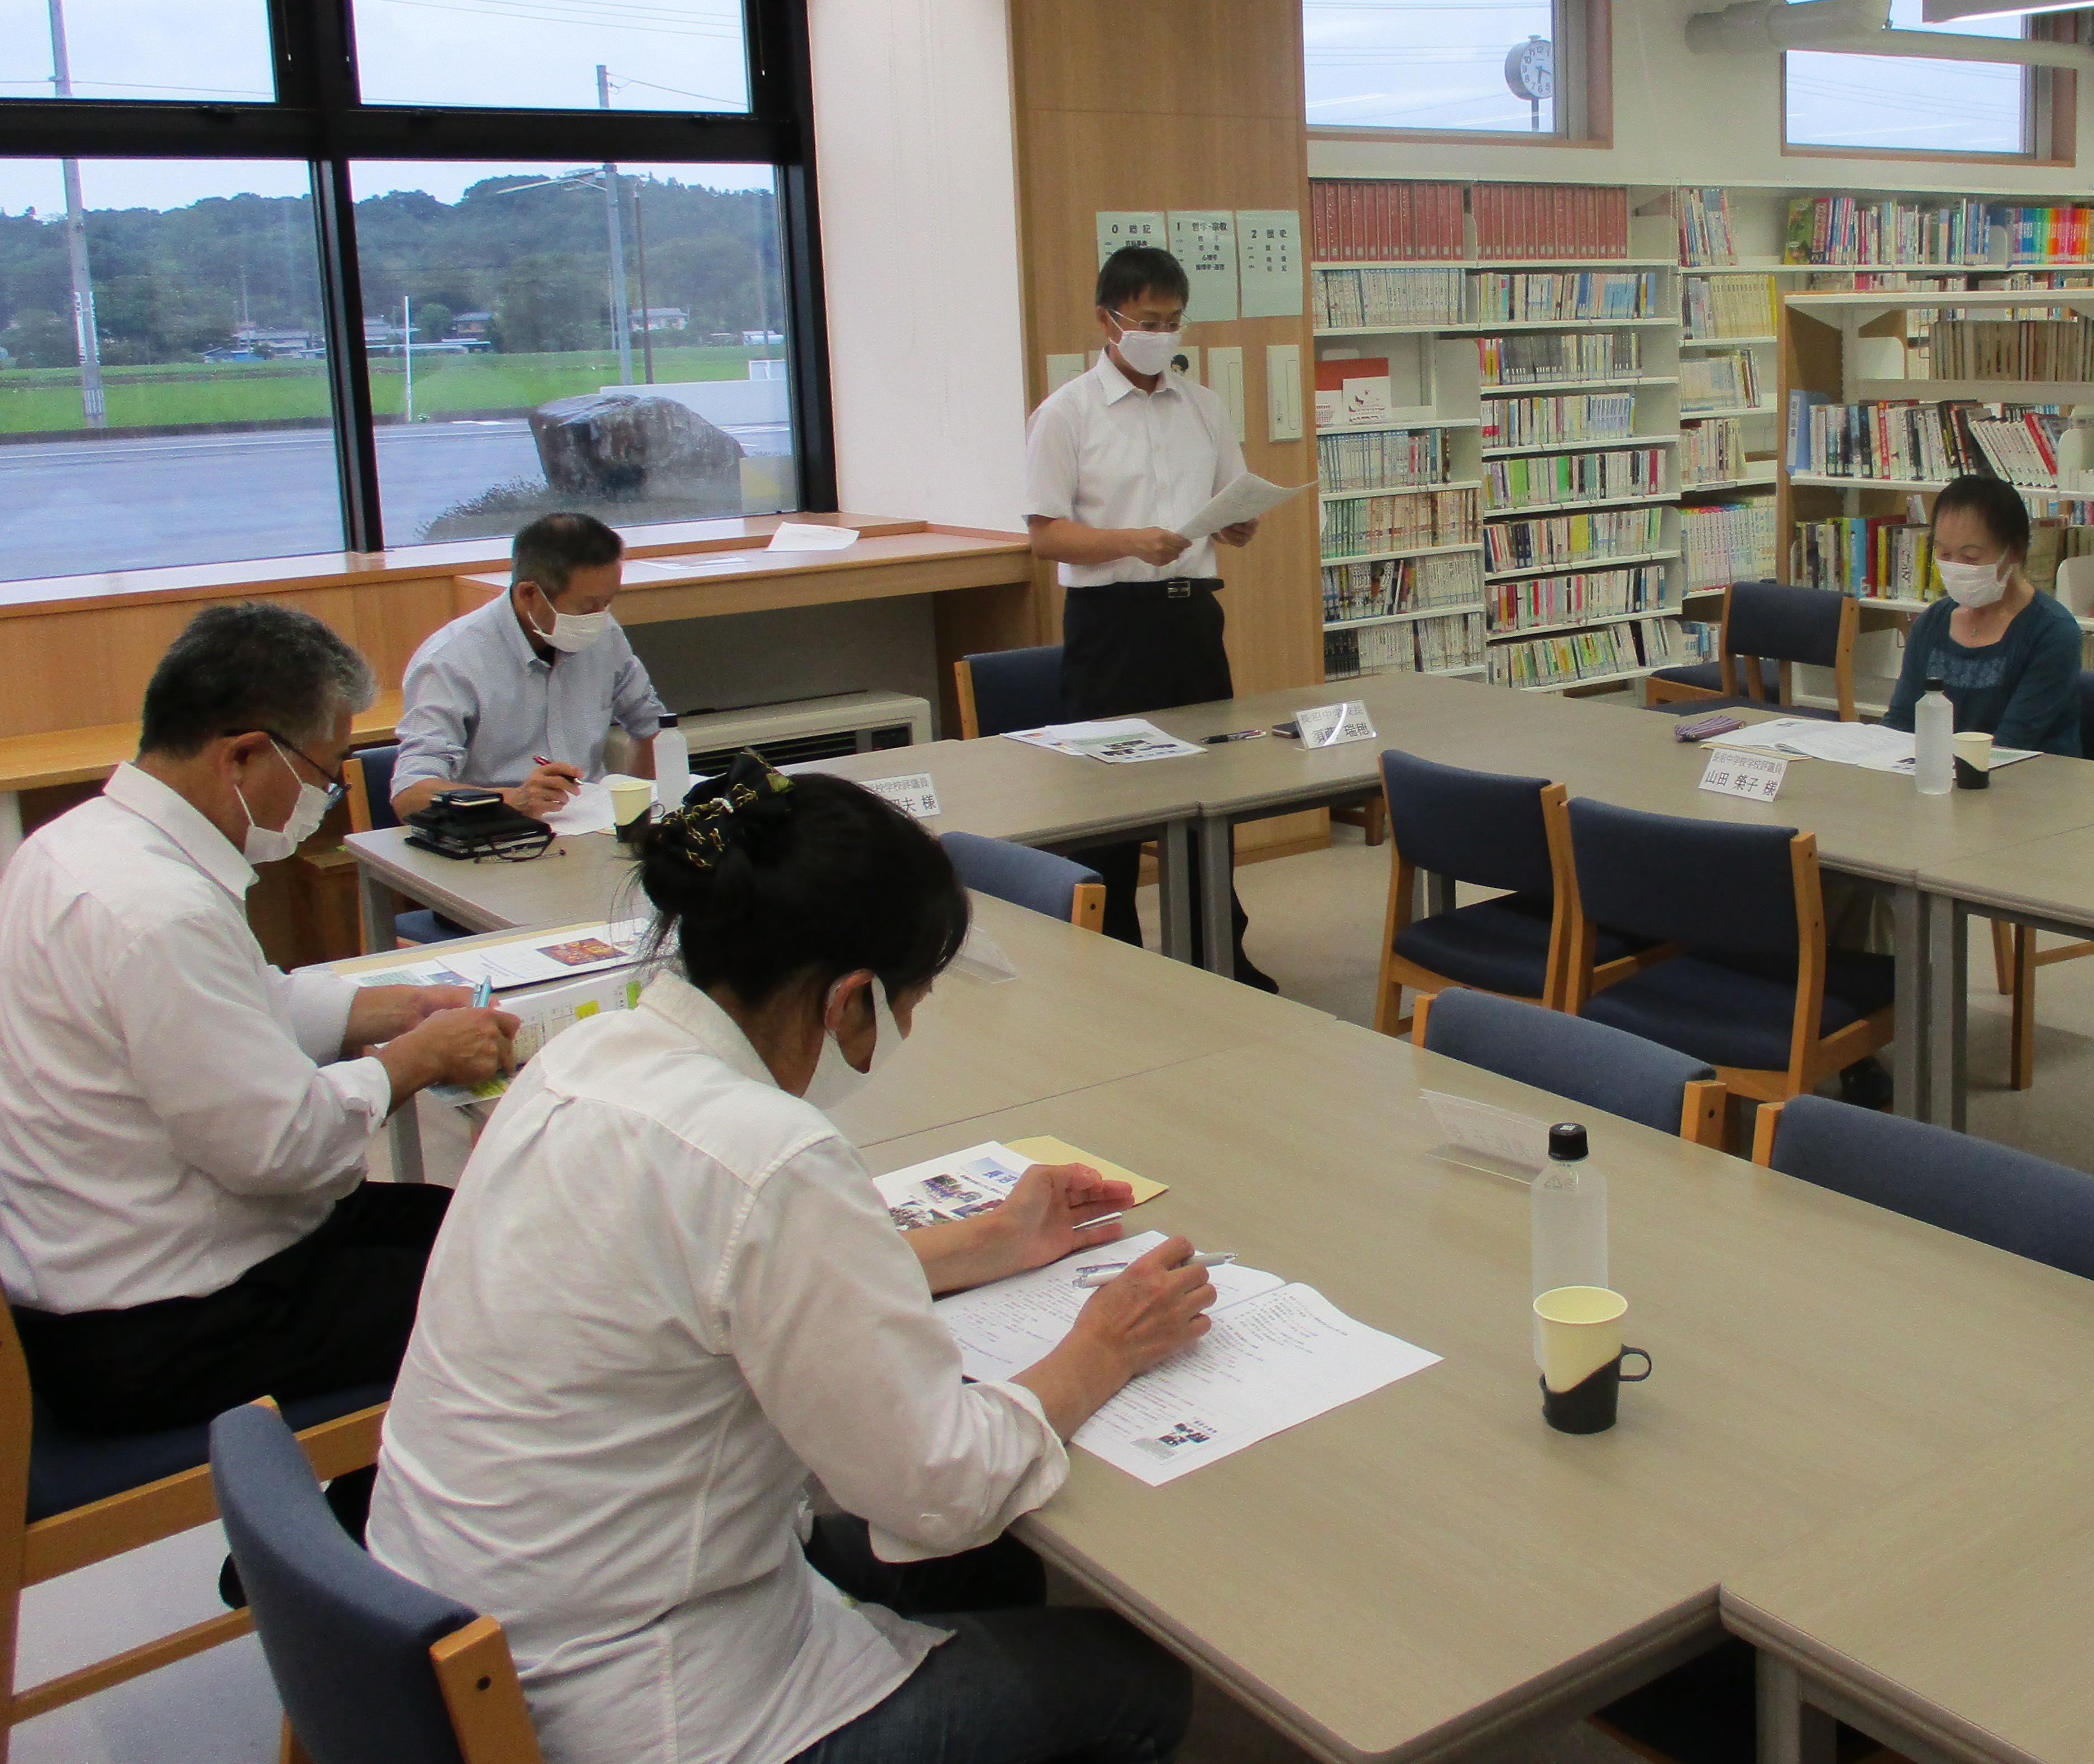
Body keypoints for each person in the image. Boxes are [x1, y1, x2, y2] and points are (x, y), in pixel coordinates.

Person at [369, 759, 1211, 1764]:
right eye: (907, 1004)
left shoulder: (582, 1060)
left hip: (454, 1625)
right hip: (636, 1707)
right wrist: (1101, 1348)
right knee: (1138, 1682)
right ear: (848, 999)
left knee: (980, 1571)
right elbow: (942, 1485)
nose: (904, 1031)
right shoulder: (770, 1154)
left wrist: (989, 1240)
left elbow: (726, 1279)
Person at [0, 603, 518, 1433]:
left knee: (485, 1218)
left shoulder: (77, 845)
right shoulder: (157, 910)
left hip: (124, 1262)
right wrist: (417, 1058)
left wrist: (403, 1007)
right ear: (242, 754)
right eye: (324, 772)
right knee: (514, 1280)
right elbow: (283, 1148)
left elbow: (243, 1006)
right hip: (165, 1323)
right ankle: (375, 1509)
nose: (324, 796)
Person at [1025, 245, 1278, 986]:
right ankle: (1113, 969)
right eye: (1146, 321)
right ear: (1107, 320)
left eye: (1172, 322)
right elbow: (1045, 535)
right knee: (1109, 805)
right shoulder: (1067, 413)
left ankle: (1217, 954)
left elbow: (1233, 504)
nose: (1160, 335)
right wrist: (1129, 541)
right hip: (1110, 624)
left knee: (1208, 793)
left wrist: (1240, 523)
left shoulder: (1203, 407)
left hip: (1192, 617)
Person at [392, 511, 663, 825]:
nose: (599, 616)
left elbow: (653, 728)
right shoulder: (450, 661)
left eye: (608, 602)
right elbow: (410, 795)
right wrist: (511, 800)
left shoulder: (605, 635)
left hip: (594, 825)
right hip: (496, 832)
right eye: (587, 606)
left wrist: (638, 815)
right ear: (529, 594)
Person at [1881, 473, 2083, 757]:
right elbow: (1901, 721)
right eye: (1944, 554)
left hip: (2025, 778)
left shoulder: (2053, 633)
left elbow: (2012, 744)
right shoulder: (1933, 622)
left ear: (2015, 550)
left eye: (1971, 557)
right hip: (1944, 775)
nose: (1956, 568)